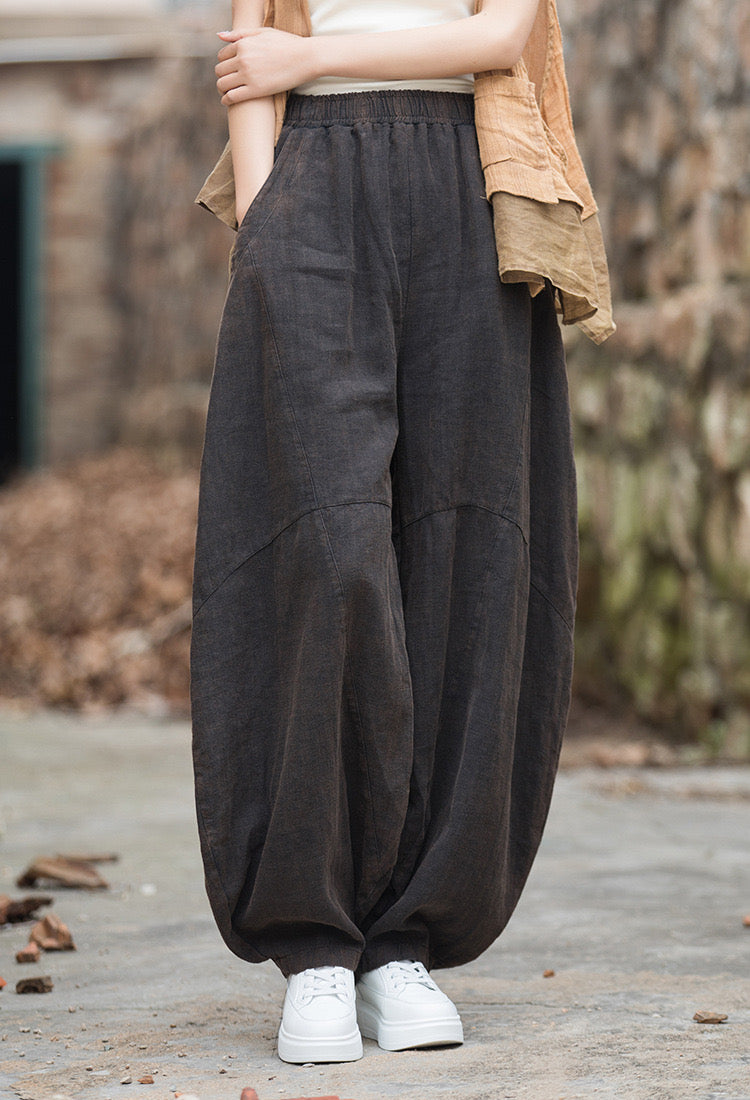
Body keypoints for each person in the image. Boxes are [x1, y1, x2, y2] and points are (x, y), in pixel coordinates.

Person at [190, 0, 614, 1067]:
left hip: (472, 181)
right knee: (327, 548)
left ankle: (402, 940)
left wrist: (307, 56)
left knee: (467, 547)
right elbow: (247, 54)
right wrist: (264, 214)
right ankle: (314, 940)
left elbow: (500, 37)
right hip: (313, 182)